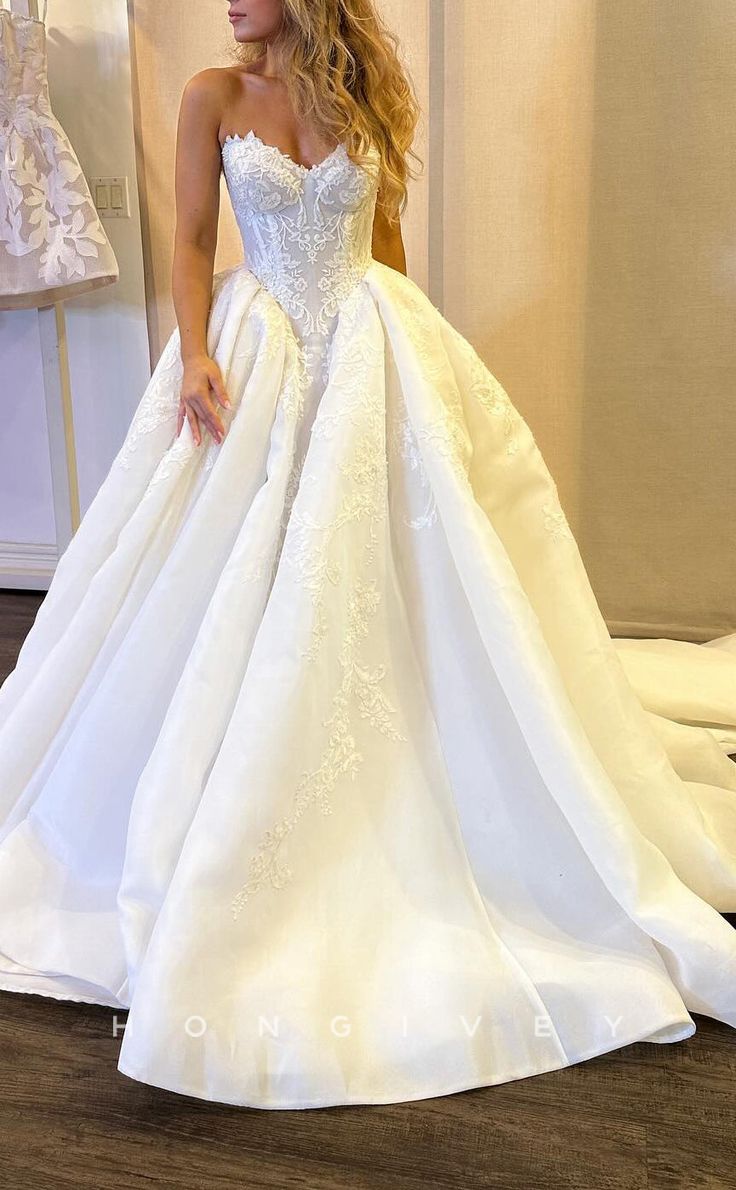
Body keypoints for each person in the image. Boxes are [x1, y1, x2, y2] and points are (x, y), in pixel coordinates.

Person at [0, 0, 734, 1112]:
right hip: (252, 356)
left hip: (368, 345)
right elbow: (194, 242)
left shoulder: (368, 101)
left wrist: (414, 369)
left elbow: (383, 250)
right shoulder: (213, 96)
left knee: (401, 577)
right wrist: (194, 353)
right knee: (219, 571)